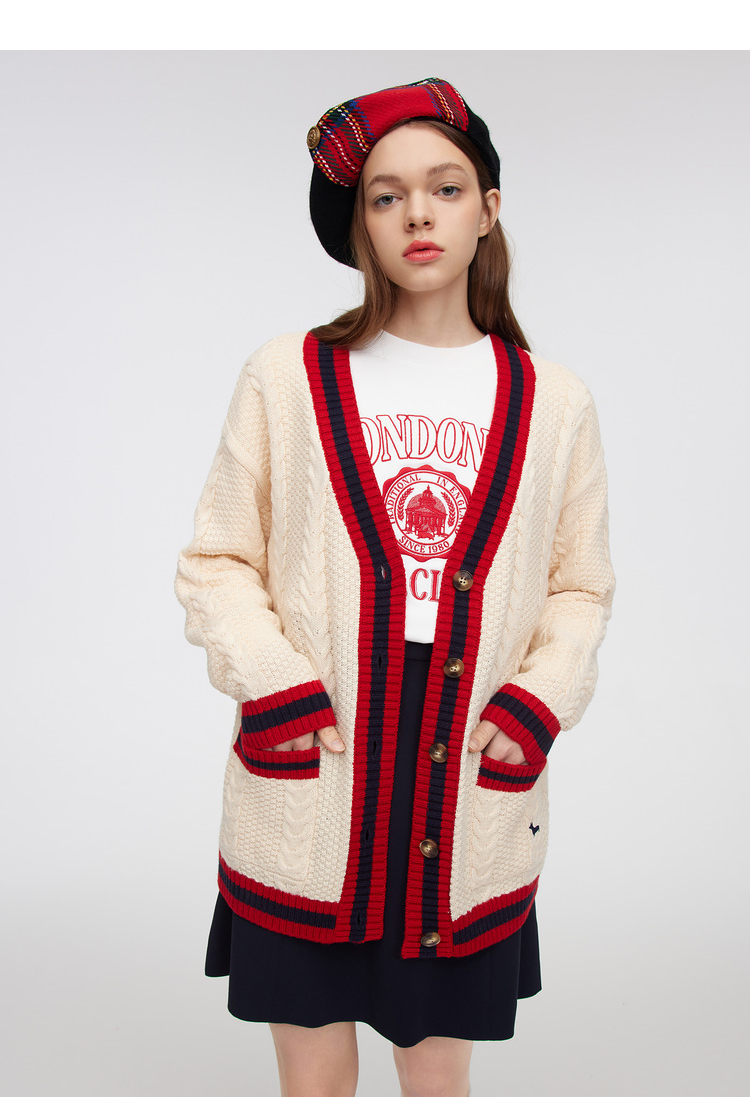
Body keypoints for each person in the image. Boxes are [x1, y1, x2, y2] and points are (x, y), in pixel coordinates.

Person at [174, 76, 615, 1097]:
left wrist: (540, 700)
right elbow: (217, 558)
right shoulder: (287, 376)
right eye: (386, 195)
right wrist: (275, 684)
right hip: (320, 740)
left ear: (487, 209)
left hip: (465, 755)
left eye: (445, 188)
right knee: (315, 1071)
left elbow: (581, 585)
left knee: (436, 1070)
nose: (418, 214)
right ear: (360, 224)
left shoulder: (554, 403)